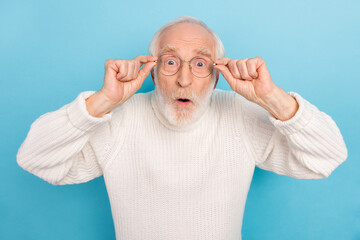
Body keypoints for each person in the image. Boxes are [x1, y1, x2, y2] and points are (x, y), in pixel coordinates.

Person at [16, 16, 348, 240]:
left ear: (218, 74)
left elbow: (328, 158)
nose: (184, 79)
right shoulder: (119, 121)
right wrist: (103, 101)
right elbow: (34, 158)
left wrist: (272, 98)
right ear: (152, 70)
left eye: (200, 64)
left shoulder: (240, 116)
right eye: (171, 62)